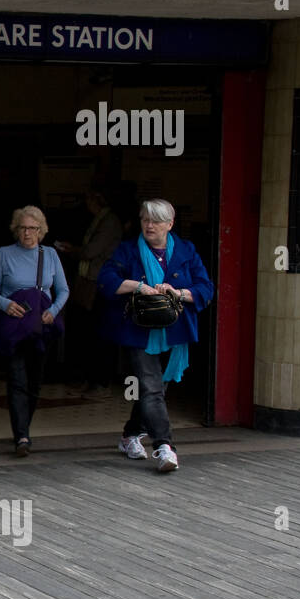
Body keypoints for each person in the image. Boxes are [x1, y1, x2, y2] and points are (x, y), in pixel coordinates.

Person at [98, 199, 213, 473]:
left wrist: (178, 292)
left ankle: (129, 436)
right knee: (151, 388)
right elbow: (106, 279)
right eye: (145, 219)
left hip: (175, 331)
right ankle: (164, 446)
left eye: (156, 220)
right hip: (139, 332)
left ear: (170, 224)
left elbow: (205, 288)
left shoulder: (187, 250)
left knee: (157, 390)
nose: (149, 225)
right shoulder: (127, 250)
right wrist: (139, 287)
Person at [0, 206, 70, 456]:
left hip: (40, 327)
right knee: (17, 379)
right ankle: (21, 435)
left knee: (35, 381)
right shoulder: (4, 254)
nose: (27, 233)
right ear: (16, 229)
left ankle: (24, 427)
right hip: (14, 326)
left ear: (41, 230)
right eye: (23, 227)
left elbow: (64, 290)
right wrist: (7, 304)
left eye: (32, 228)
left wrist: (53, 311)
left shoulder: (51, 255)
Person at [56, 185, 123, 396]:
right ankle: (88, 377)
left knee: (97, 330)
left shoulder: (108, 222)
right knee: (87, 329)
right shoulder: (100, 220)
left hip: (99, 282)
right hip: (89, 280)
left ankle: (99, 380)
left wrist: (72, 250)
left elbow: (91, 251)